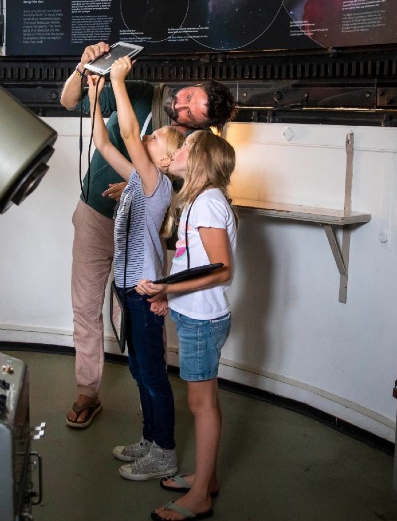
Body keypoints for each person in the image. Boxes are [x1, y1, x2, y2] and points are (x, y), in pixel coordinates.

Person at [60, 42, 237, 429]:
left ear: (203, 129)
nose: (183, 108)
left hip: (144, 237)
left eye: (192, 114)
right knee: (86, 308)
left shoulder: (190, 148)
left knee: (141, 323)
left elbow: (183, 185)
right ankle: (89, 391)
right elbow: (74, 105)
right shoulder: (144, 93)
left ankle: (152, 411)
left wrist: (138, 185)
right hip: (95, 215)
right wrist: (85, 71)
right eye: (188, 97)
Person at [83, 56, 185, 480]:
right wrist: (93, 97)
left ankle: (164, 451)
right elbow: (106, 145)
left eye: (158, 137)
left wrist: (119, 82)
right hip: (129, 289)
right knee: (141, 371)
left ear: (165, 162)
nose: (150, 135)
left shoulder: (155, 183)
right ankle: (150, 438)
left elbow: (126, 132)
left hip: (143, 291)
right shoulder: (140, 179)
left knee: (153, 375)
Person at [134, 130, 238, 521]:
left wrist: (163, 287)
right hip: (192, 312)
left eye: (186, 146)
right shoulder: (196, 200)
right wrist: (168, 294)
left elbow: (221, 270)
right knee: (205, 400)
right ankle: (205, 479)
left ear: (200, 160)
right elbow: (191, 263)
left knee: (202, 404)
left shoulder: (209, 203)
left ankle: (199, 497)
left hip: (202, 319)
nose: (177, 150)